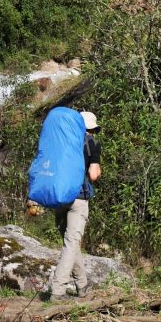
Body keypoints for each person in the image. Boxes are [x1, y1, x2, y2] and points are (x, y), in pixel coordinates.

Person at [49, 111, 102, 300]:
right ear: (90, 129)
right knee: (72, 242)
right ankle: (58, 290)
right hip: (78, 198)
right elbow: (94, 175)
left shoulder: (62, 140)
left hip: (59, 196)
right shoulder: (92, 143)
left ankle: (82, 285)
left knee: (71, 242)